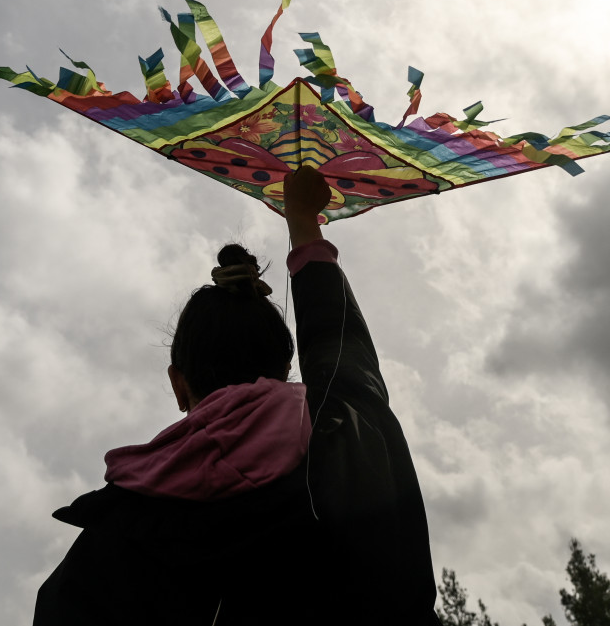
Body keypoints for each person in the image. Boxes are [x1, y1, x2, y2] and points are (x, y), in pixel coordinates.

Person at [33, 166, 440, 624]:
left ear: (178, 384)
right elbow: (344, 355)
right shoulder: (349, 442)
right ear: (285, 370)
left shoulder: (110, 538)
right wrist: (302, 221)